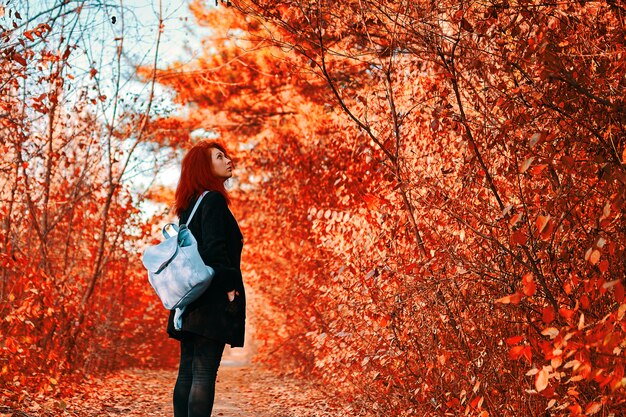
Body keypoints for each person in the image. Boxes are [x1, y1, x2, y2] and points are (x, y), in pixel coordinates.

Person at [167, 140, 245, 417]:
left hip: (190, 301)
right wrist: (231, 292)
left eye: (226, 155)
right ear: (205, 167)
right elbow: (215, 254)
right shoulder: (211, 201)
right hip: (212, 302)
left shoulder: (189, 207)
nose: (228, 160)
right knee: (202, 374)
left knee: (188, 371)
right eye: (219, 157)